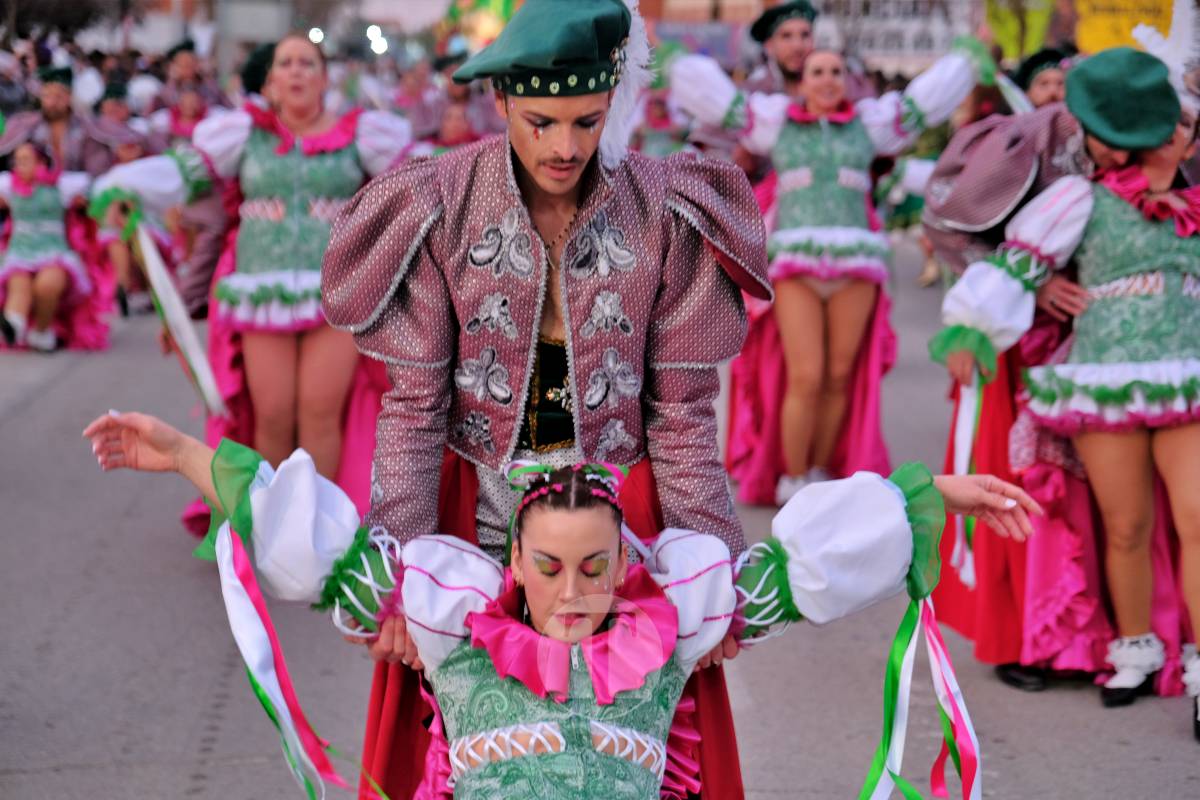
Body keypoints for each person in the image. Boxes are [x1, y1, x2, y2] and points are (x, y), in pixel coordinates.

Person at [83, 408, 1041, 798]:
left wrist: (939, 495)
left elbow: (798, 571)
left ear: (628, 556)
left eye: (596, 567)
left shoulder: (675, 626)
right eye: (548, 568)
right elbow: (314, 544)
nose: (574, 593)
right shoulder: (450, 623)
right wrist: (179, 453)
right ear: (516, 560)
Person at [316, 0, 781, 795]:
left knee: (623, 740)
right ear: (500, 102)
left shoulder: (662, 207)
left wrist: (717, 568)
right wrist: (396, 564)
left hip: (618, 512)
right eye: (541, 122)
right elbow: (417, 406)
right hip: (477, 504)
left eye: (588, 122)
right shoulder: (441, 200)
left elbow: (678, 415)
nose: (565, 147)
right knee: (472, 743)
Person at [933, 56, 1200, 733]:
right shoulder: (1076, 194)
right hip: (1103, 379)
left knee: (1196, 518)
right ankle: (1134, 648)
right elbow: (1009, 264)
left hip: (1186, 375)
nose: (1182, 131)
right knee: (1128, 525)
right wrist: (973, 329)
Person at [91, 33, 414, 532]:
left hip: (341, 293)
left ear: (325, 78)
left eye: (308, 63)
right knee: (273, 414)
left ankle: (317, 533)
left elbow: (423, 182)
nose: (298, 71)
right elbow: (179, 175)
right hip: (261, 291)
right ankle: (270, 525)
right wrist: (119, 185)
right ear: (271, 81)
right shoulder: (242, 135)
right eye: (286, 63)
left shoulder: (364, 136)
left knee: (321, 413)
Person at [670, 39, 994, 505]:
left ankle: (821, 471)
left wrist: (965, 62)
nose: (827, 80)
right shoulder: (775, 122)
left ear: (847, 81)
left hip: (856, 264)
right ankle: (793, 476)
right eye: (818, 72)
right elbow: (723, 105)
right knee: (806, 374)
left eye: (836, 72)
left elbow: (921, 104)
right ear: (803, 83)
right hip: (796, 264)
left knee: (840, 376)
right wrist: (673, 62)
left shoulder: (871, 125)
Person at [0, 142, 94, 351]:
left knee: (47, 285)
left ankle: (41, 332)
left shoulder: (62, 186)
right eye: (17, 160)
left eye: (25, 160)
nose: (19, 165)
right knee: (18, 285)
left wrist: (86, 205)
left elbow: (89, 204)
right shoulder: (8, 187)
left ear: (41, 162)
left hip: (54, 251)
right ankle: (13, 326)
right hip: (19, 252)